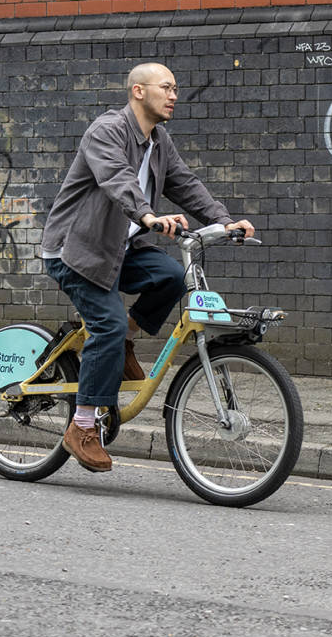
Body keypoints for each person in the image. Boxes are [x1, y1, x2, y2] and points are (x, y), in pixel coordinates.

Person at [39, 62, 255, 473]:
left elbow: (185, 183)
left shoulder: (159, 141)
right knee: (108, 324)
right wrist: (148, 215)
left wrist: (224, 221)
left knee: (171, 277)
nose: (174, 95)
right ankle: (82, 426)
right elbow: (117, 179)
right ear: (139, 91)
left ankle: (120, 345)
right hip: (76, 250)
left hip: (120, 248)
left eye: (176, 88)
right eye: (166, 87)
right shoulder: (106, 131)